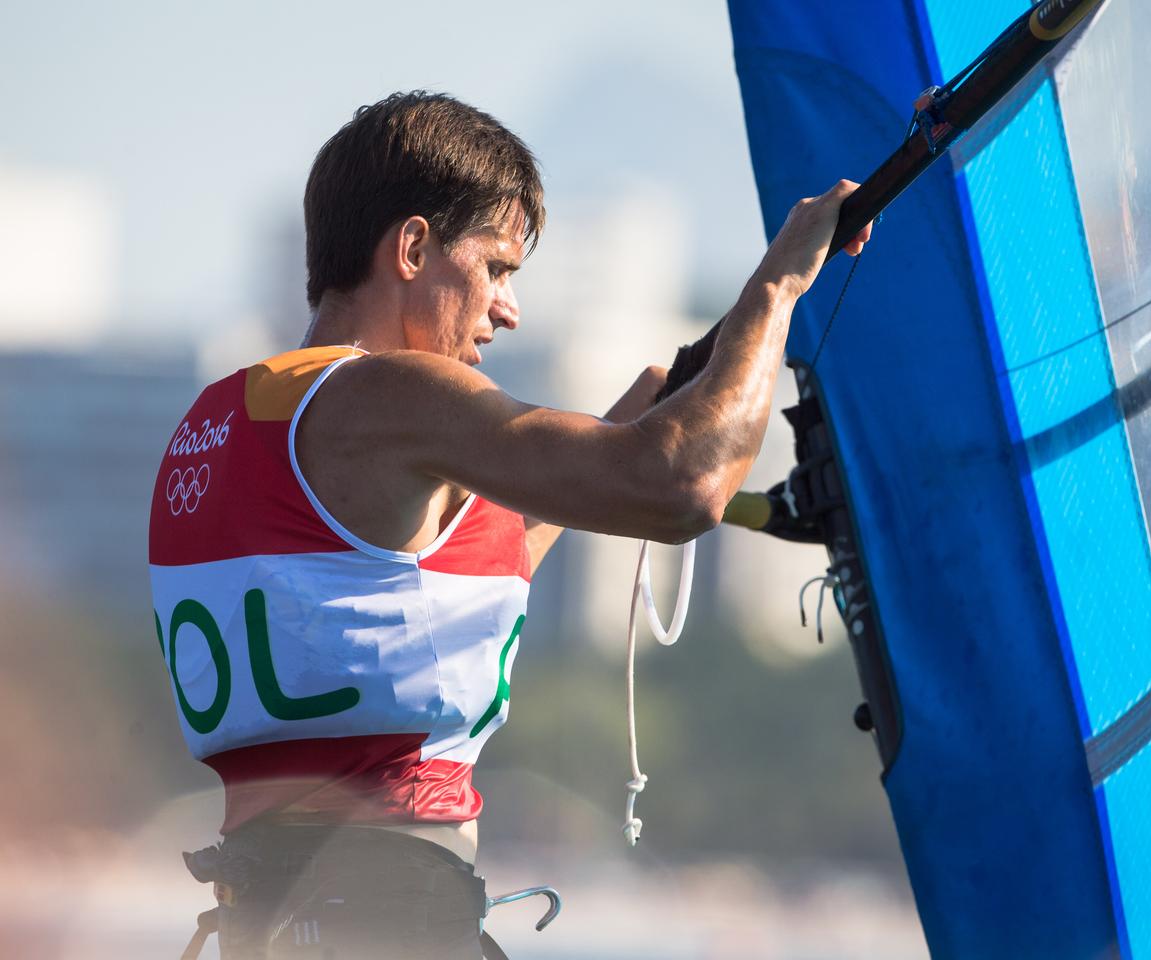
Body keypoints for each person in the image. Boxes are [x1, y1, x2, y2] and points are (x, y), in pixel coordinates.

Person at [149, 90, 871, 959]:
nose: (507, 309)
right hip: (378, 906)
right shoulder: (388, 391)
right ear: (412, 248)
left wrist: (611, 442)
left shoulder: (222, 416)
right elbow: (685, 485)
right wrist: (779, 285)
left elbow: (409, 598)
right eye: (497, 268)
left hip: (269, 911)